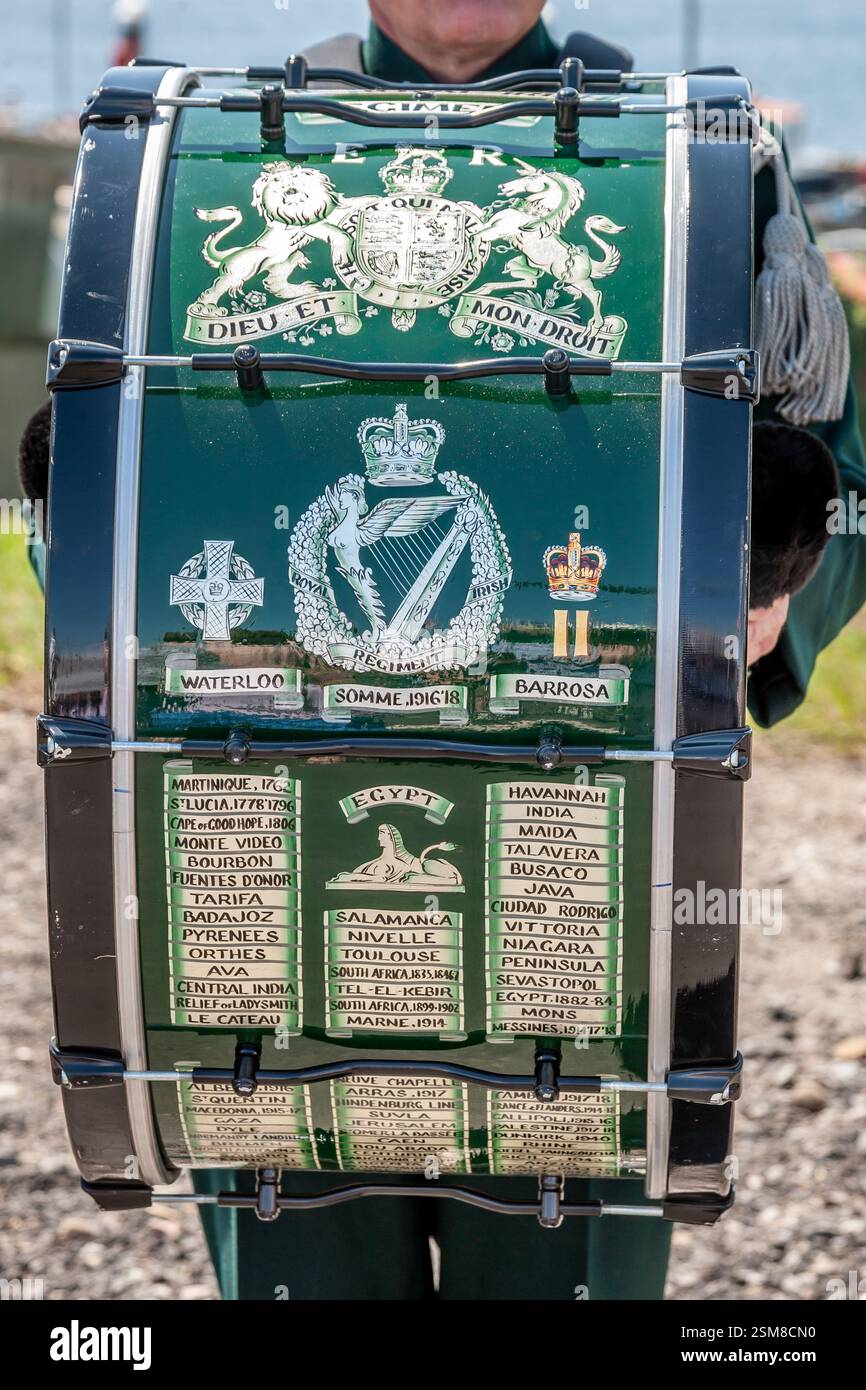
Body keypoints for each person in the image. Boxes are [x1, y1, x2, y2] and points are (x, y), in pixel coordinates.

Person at [23, 0, 866, 1300]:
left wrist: (770, 584)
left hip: (588, 867)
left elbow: (839, 484)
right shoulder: (203, 167)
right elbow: (89, 490)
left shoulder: (694, 172)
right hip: (259, 864)